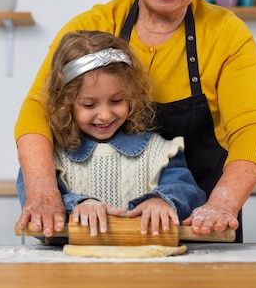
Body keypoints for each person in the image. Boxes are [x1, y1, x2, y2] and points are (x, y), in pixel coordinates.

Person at [14, 0, 256, 242]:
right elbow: (37, 110)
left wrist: (222, 205)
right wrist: (44, 193)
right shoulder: (94, 26)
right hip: (97, 234)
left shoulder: (226, 34)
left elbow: (252, 132)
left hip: (199, 228)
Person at [16, 31, 206, 242]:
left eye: (116, 101)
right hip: (71, 272)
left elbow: (188, 192)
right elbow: (42, 222)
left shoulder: (160, 153)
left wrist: (162, 202)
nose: (105, 114)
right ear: (65, 103)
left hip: (147, 272)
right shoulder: (50, 160)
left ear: (132, 96)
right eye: (89, 104)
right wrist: (78, 207)